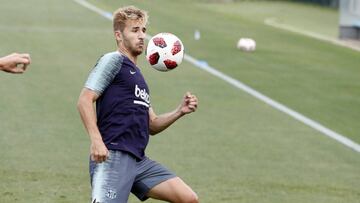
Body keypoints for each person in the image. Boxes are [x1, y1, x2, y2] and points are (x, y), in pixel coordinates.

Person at [77, 6, 199, 203]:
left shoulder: (138, 78)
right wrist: (96, 141)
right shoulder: (113, 61)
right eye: (135, 30)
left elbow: (152, 124)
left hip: (139, 161)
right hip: (113, 157)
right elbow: (85, 99)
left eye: (143, 30)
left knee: (188, 199)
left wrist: (180, 111)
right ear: (118, 35)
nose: (142, 36)